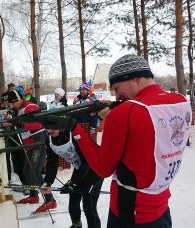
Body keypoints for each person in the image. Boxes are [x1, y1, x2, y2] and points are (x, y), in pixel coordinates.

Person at [38, 54, 192, 227]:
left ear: (133, 78)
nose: (118, 96)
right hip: (161, 206)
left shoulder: (125, 112)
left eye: (117, 88)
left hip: (129, 213)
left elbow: (103, 168)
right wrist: (115, 109)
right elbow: (147, 124)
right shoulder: (179, 101)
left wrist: (75, 127)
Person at [36, 129, 103, 228]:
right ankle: (76, 224)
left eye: (53, 127)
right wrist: (48, 182)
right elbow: (52, 162)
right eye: (47, 128)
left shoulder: (73, 134)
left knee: (88, 206)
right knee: (73, 201)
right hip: (79, 169)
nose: (50, 130)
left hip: (96, 169)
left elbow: (86, 160)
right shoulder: (49, 140)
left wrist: (73, 182)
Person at [7, 90, 46, 204]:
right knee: (26, 171)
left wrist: (21, 124)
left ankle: (50, 199)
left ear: (18, 100)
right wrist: (13, 123)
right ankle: (34, 195)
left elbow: (38, 124)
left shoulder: (30, 107)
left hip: (38, 141)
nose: (12, 106)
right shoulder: (19, 109)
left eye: (12, 103)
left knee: (34, 171)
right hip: (29, 143)